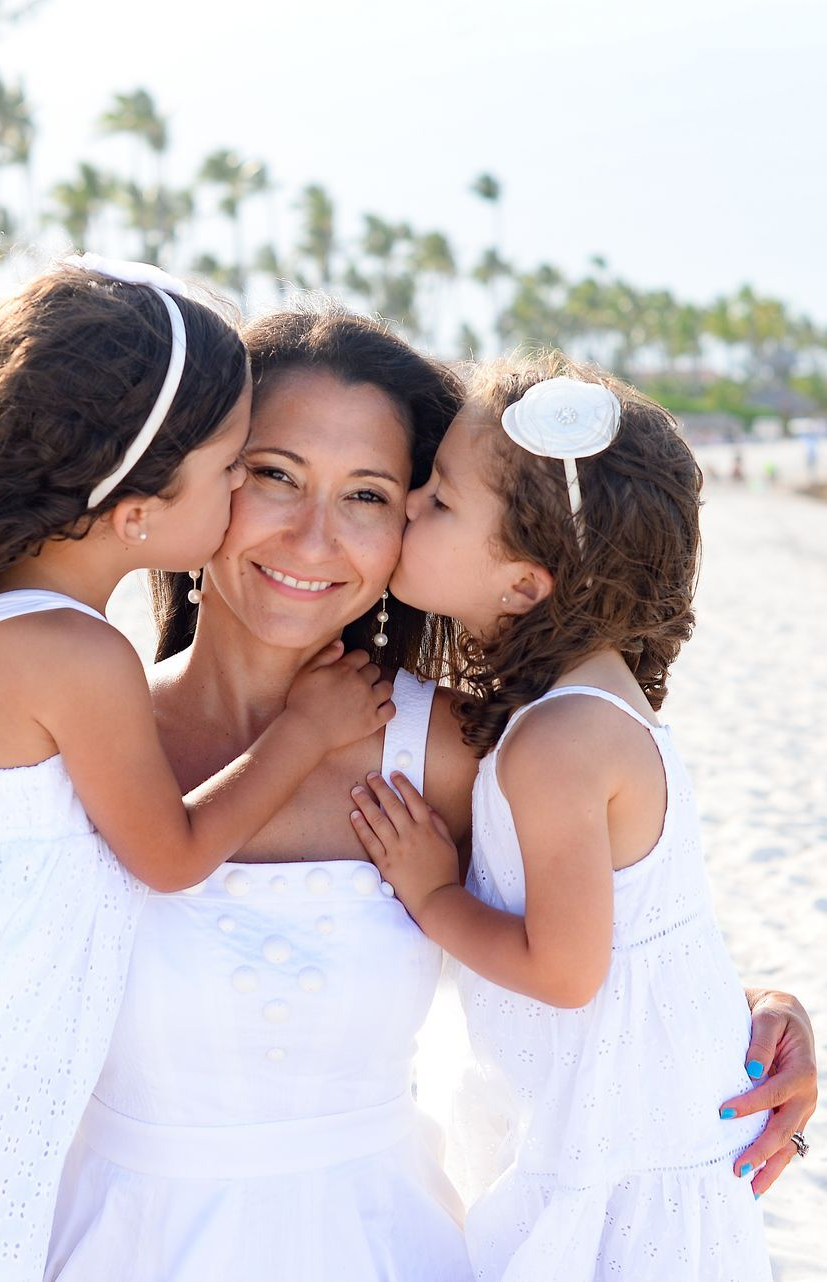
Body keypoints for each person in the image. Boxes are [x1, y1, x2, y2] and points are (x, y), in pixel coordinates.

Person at [0, 314, 818, 1280]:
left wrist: (761, 1014)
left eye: (367, 493)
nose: (315, 537)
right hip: (95, 1243)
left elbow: (605, 940)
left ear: (417, 518)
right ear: (198, 478)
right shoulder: (62, 726)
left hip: (378, 1244)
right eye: (272, 473)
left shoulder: (451, 748)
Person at [0, 263, 394, 1282]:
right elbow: (168, 853)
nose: (242, 495)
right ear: (138, 508)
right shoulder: (82, 657)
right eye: (241, 467)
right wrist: (306, 731)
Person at [349, 356, 815, 1280]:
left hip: (615, 1145)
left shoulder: (554, 742)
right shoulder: (589, 707)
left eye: (439, 501)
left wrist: (434, 892)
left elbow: (564, 971)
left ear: (524, 586)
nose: (407, 506)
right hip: (633, 1115)